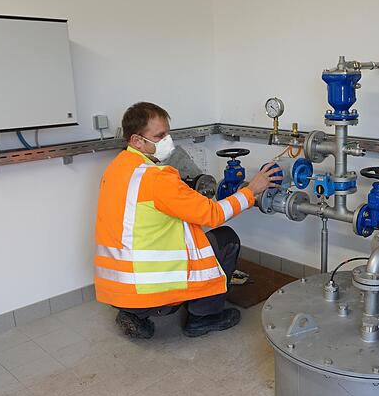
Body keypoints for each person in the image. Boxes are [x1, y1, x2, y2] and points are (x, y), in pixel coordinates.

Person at [94, 102, 281, 339]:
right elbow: (213, 214)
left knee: (188, 238)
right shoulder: (157, 179)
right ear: (137, 141)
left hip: (118, 288)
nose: (167, 140)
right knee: (226, 239)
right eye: (160, 136)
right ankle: (203, 317)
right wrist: (251, 190)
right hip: (152, 287)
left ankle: (131, 312)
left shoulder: (116, 169)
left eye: (168, 133)